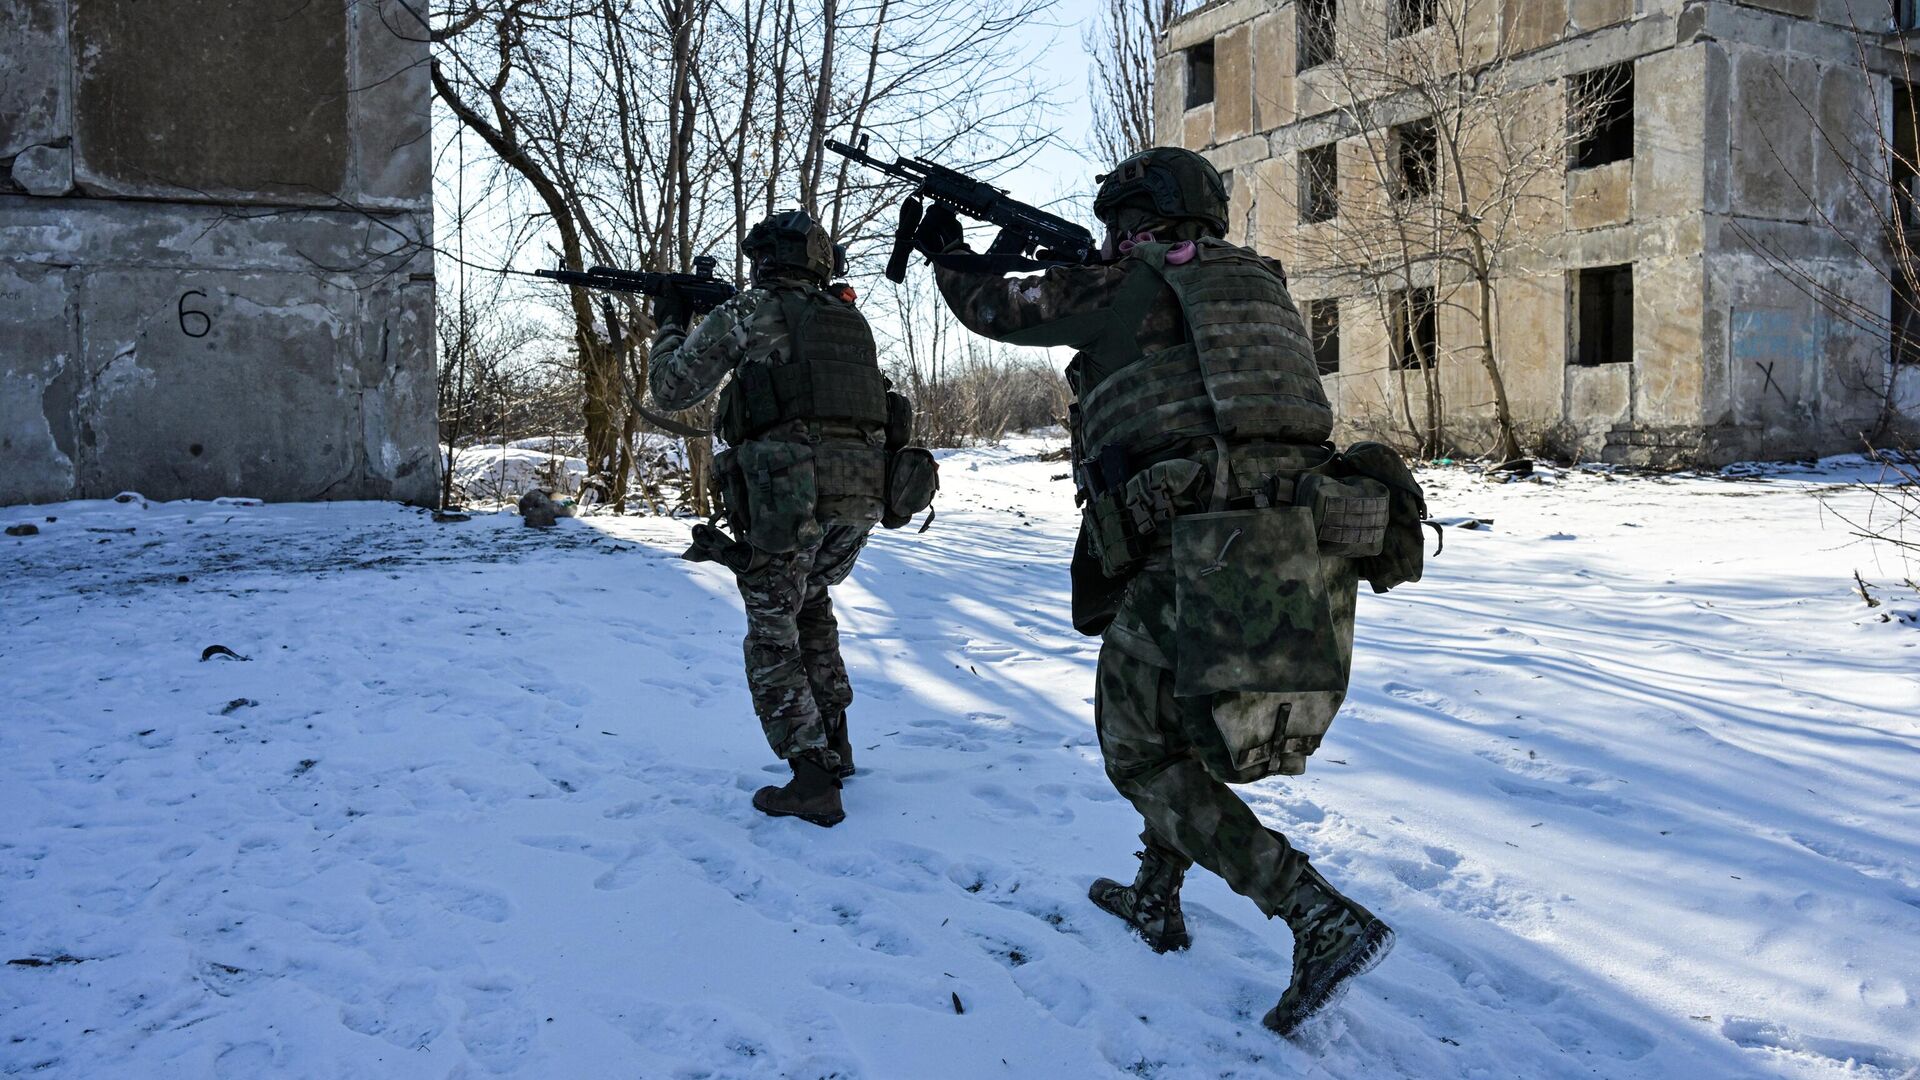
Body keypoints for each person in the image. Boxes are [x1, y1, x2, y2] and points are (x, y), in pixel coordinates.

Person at [916, 148, 1400, 1035]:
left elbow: (997, 309)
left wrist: (949, 250)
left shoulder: (1131, 282)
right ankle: (1155, 897)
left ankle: (1314, 914)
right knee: (1176, 727)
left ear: (1132, 213)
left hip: (1202, 552)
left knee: (1138, 752)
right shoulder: (1255, 283)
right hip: (1299, 542)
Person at [649, 209, 892, 828]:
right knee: (810, 605)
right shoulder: (848, 318)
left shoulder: (748, 312)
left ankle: (811, 779)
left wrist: (670, 323)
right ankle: (833, 742)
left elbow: (673, 388)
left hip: (789, 500)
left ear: (762, 259)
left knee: (771, 630)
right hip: (859, 497)